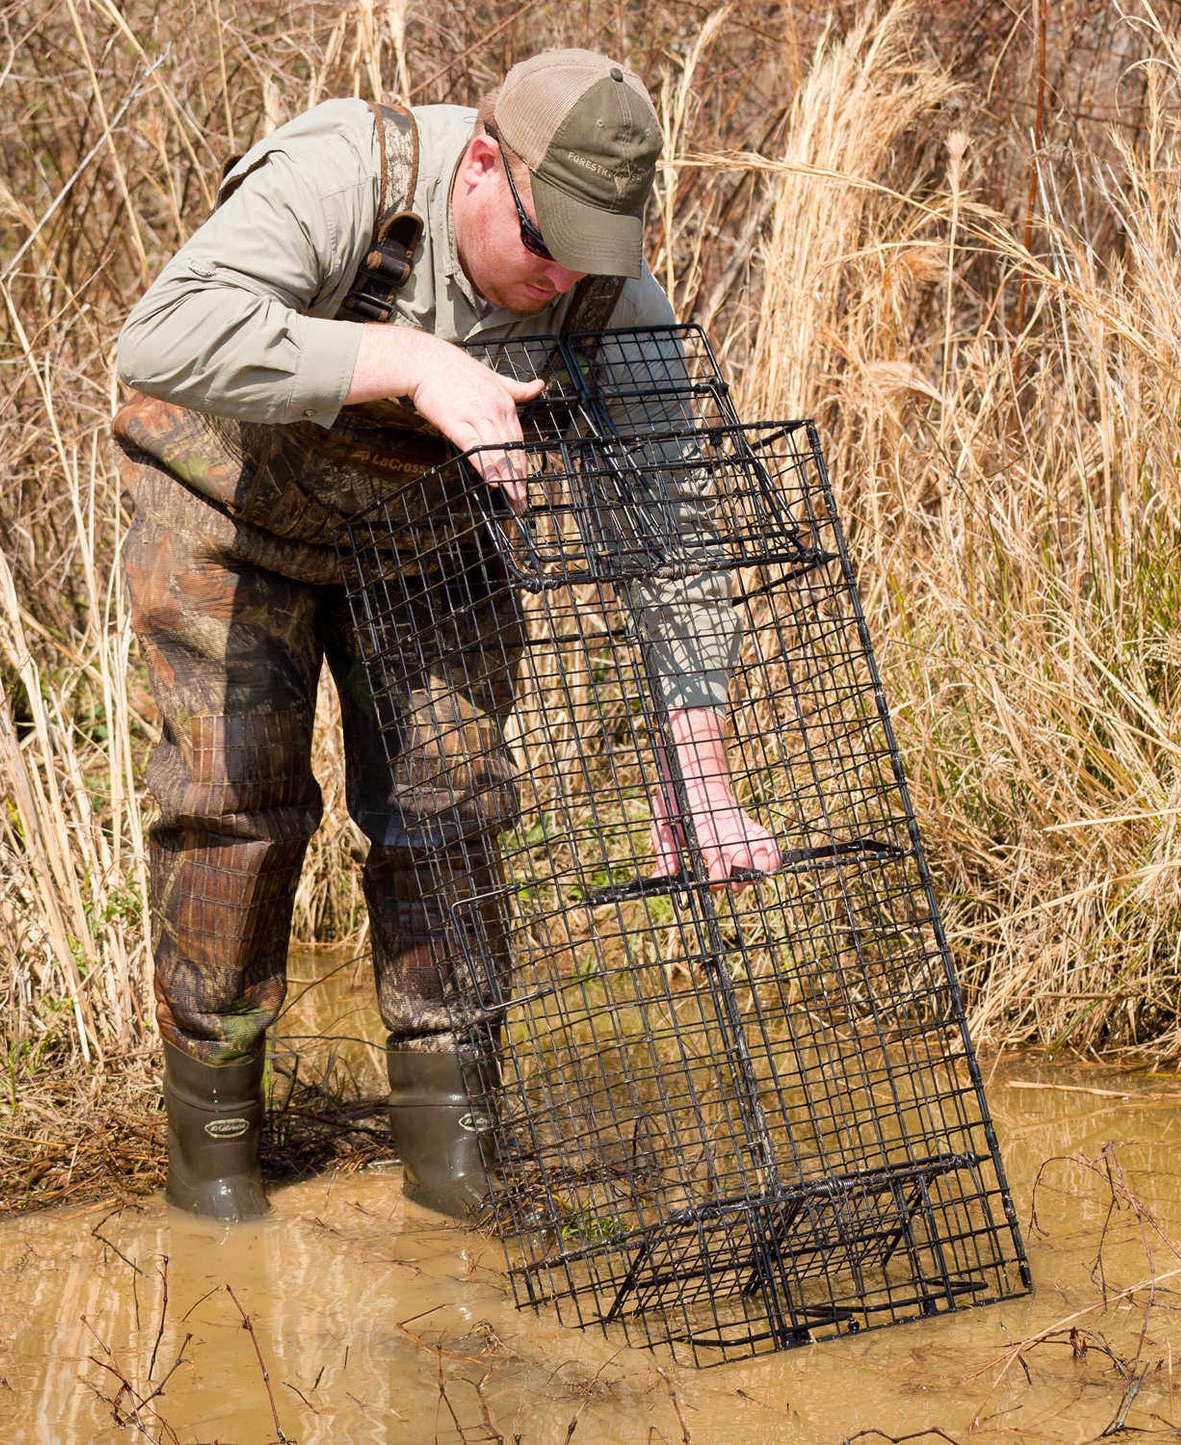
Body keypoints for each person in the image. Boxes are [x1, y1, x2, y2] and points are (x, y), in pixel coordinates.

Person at [112, 48, 780, 1224]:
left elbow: (666, 535)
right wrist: (408, 360)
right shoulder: (344, 173)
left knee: (452, 809)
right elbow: (160, 338)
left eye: (593, 252)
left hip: (428, 546)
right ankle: (213, 1157)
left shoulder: (612, 296)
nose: (564, 274)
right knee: (232, 811)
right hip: (233, 513)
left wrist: (701, 766)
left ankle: (450, 1154)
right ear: (481, 162)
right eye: (543, 240)